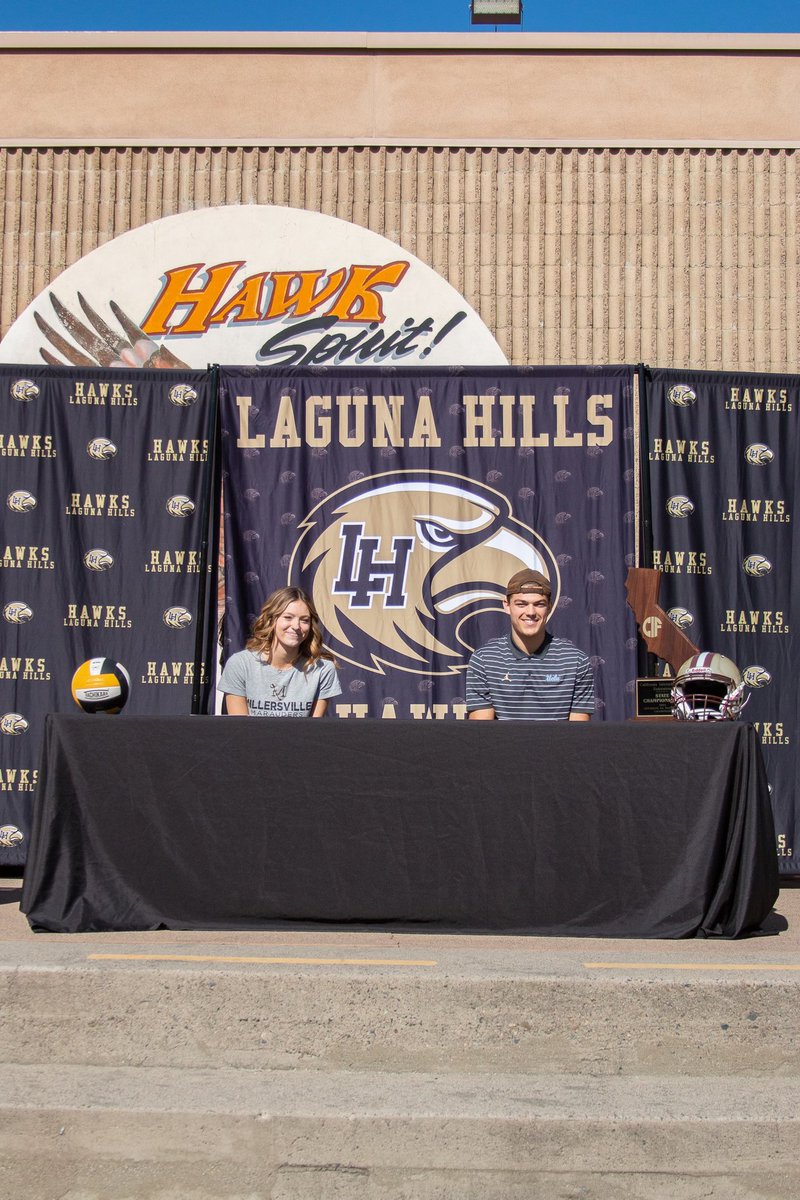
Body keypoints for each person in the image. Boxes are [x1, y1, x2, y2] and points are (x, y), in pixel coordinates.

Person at [466, 569, 594, 721]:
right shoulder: (484, 660)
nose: (530, 612)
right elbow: (482, 735)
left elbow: (578, 737)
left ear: (550, 607)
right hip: (503, 745)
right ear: (507, 606)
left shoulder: (576, 661)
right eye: (521, 604)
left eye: (539, 604)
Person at [219, 586, 341, 717]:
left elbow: (312, 730)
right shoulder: (240, 664)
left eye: (304, 620)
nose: (296, 626)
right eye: (288, 617)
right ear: (271, 620)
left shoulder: (323, 669)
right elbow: (240, 729)